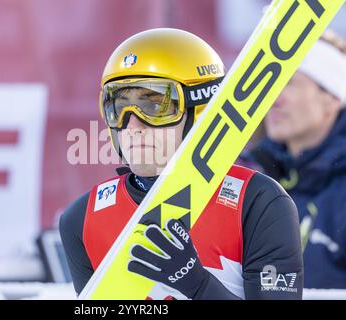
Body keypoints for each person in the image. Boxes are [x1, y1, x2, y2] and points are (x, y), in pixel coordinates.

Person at [60, 28, 303, 299]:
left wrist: (197, 284)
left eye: (154, 106)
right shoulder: (82, 219)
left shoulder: (258, 202)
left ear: (199, 110)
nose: (132, 126)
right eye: (118, 107)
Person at [240, 31, 346, 289]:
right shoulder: (250, 174)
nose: (273, 100)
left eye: (288, 83)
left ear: (332, 97)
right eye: (269, 85)